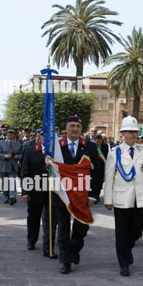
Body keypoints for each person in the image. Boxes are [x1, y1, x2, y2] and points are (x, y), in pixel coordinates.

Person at [104, 116, 143, 277]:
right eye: (130, 132)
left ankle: (127, 249)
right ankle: (124, 263)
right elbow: (109, 177)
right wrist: (108, 199)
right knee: (121, 232)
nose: (133, 135)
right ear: (123, 134)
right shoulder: (115, 153)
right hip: (121, 199)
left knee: (138, 229)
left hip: (139, 199)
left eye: (135, 132)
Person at [49, 114, 103, 274]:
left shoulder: (90, 147)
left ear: (82, 128)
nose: (74, 129)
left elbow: (98, 172)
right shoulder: (56, 146)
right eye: (71, 126)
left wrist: (94, 195)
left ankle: (74, 249)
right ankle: (65, 261)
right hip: (62, 194)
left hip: (82, 196)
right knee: (63, 227)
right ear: (66, 128)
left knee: (82, 227)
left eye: (78, 126)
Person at [21, 130, 57, 256]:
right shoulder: (31, 149)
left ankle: (48, 248)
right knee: (33, 217)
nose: (45, 138)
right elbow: (25, 171)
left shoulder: (56, 151)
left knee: (50, 219)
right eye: (43, 135)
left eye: (48, 135)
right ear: (39, 136)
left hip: (52, 189)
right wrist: (25, 191)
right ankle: (31, 240)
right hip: (35, 188)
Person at [0, 127, 22, 204]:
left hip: (13, 166)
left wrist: (18, 157)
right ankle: (6, 196)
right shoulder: (1, 143)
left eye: (11, 133)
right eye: (8, 133)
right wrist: (5, 156)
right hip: (3, 165)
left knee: (12, 181)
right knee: (5, 182)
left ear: (14, 134)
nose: (9, 134)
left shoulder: (18, 144)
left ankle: (12, 197)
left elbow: (21, 154)